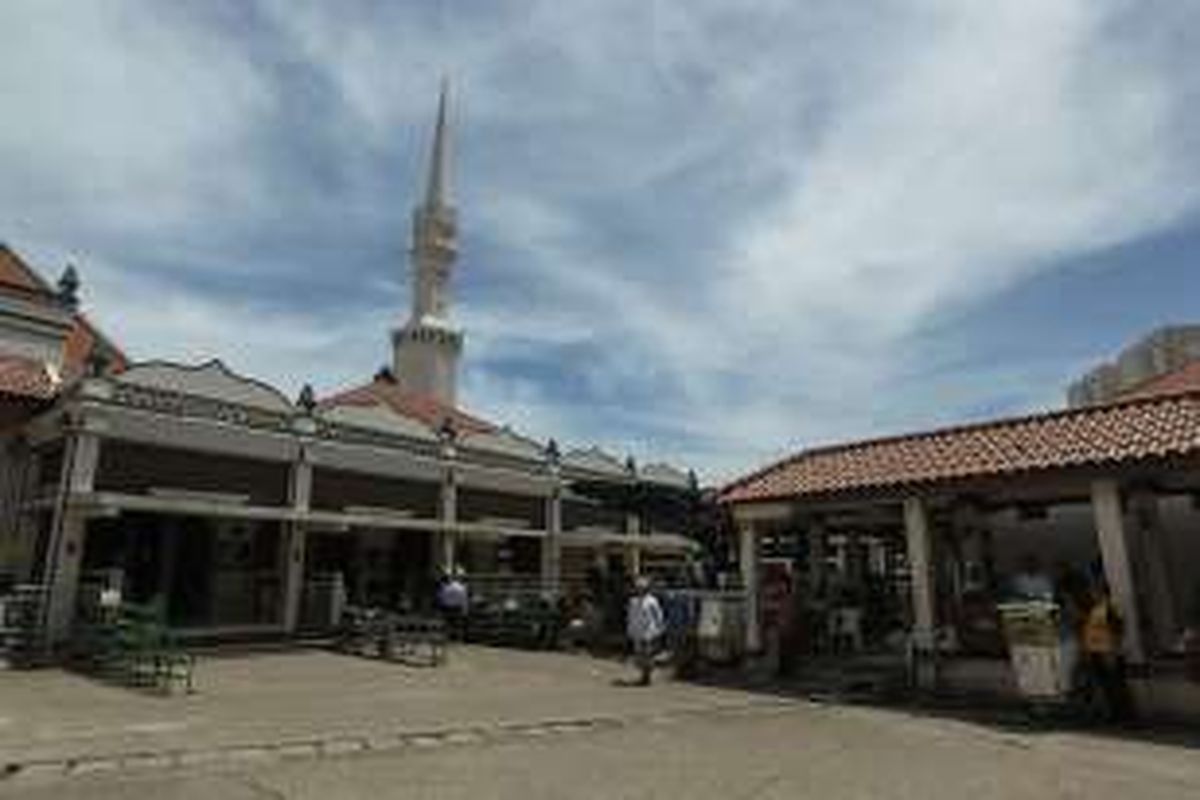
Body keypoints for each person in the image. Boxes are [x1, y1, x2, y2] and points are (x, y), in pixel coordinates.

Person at [1081, 580, 1134, 723]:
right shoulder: (1097, 608)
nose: (1091, 593)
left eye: (1094, 591)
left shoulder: (1109, 608)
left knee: (1117, 686)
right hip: (1098, 652)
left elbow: (1117, 630)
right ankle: (1116, 714)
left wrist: (1112, 652)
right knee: (1108, 687)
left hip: (1108, 653)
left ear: (1102, 592)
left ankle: (1127, 716)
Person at [626, 576, 665, 686]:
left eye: (642, 588)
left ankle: (647, 676)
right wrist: (630, 628)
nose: (640, 590)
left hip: (649, 630)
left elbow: (658, 615)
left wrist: (660, 627)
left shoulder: (652, 601)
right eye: (638, 587)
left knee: (648, 654)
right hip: (637, 630)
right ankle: (644, 674)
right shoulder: (633, 601)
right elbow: (630, 616)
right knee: (639, 654)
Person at [437, 571, 469, 641]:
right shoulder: (461, 588)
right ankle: (459, 639)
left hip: (447, 607)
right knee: (458, 625)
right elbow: (463, 600)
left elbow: (441, 598)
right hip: (457, 608)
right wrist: (465, 610)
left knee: (448, 624)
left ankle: (448, 638)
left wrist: (441, 608)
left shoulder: (444, 588)